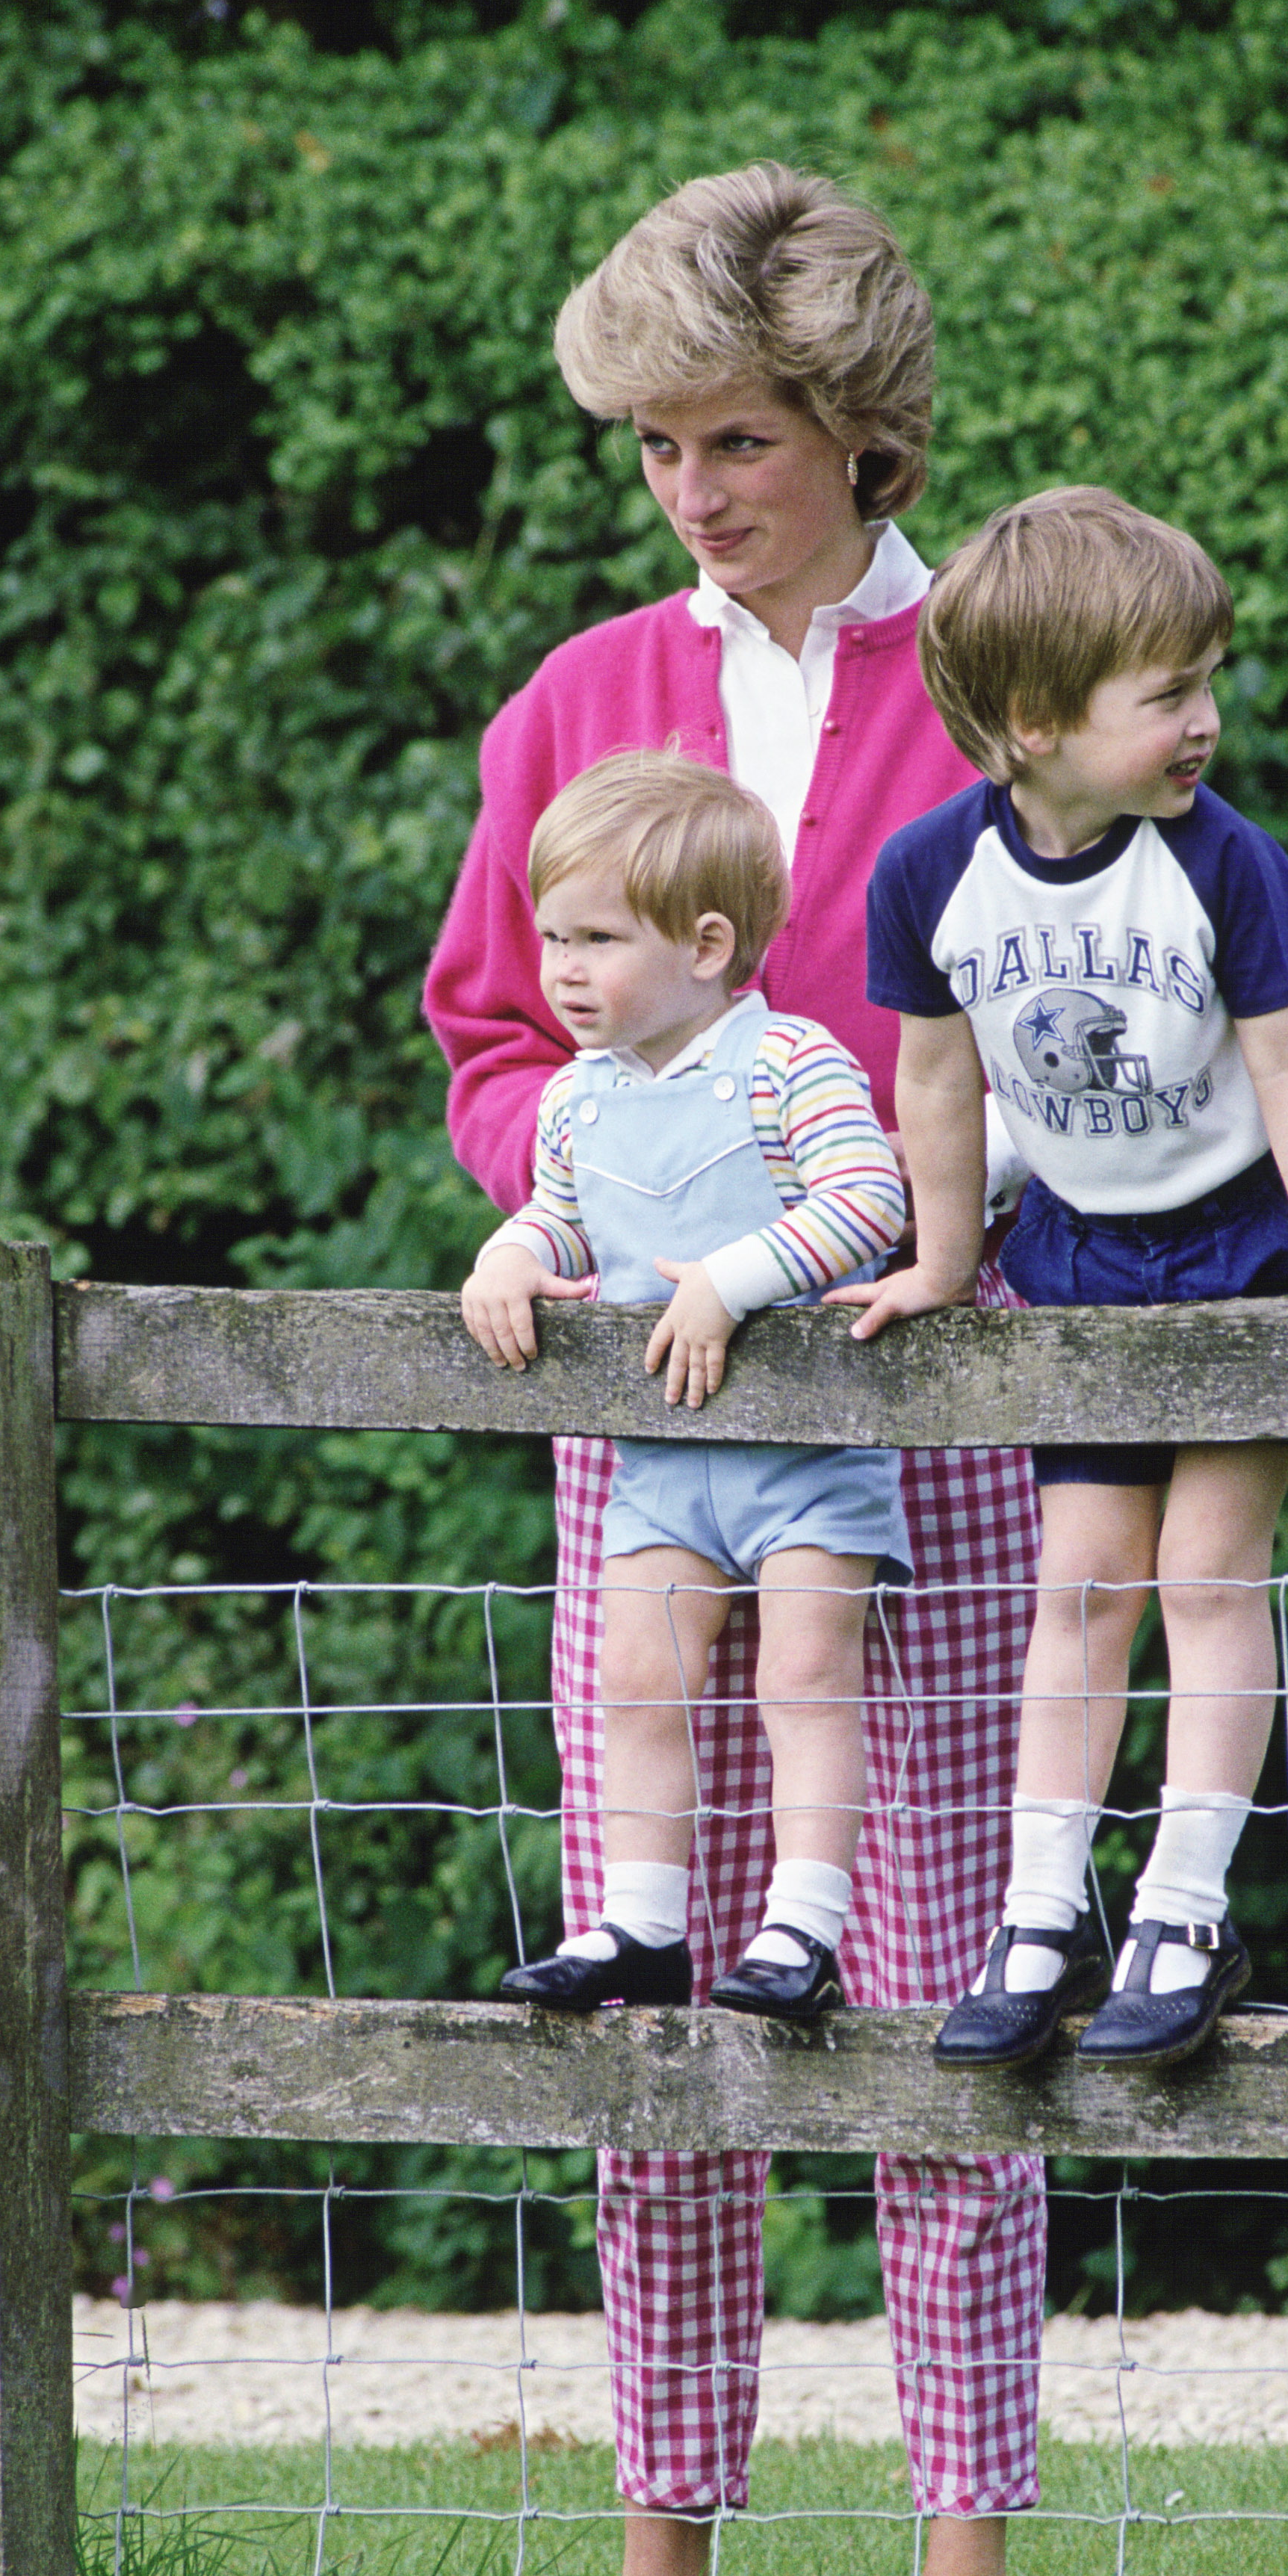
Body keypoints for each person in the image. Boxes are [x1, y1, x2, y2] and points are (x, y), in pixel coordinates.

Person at [424, 165, 1047, 2576]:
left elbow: (1120, 1001)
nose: (691, 487)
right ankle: (657, 2571)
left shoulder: (1006, 670)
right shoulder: (580, 699)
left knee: (938, 1987)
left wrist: (966, 1223)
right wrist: (578, 1205)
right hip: (659, 1423)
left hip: (947, 1404)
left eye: (738, 438)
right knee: (659, 1986)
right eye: (658, 443)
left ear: (860, 430)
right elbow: (493, 1031)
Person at [845, 486, 1288, 2067]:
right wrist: (943, 1260)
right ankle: (1040, 1914)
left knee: (1204, 1573)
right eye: (1167, 694)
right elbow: (936, 1082)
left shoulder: (1225, 863)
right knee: (1077, 1589)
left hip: (1239, 1243)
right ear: (1033, 723)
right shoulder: (929, 876)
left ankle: (1184, 1909)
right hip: (1075, 1253)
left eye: (1209, 681)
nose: (1206, 721)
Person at [462, 752, 911, 2019]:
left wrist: (733, 1278)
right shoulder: (575, 1100)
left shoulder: (792, 1062)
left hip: (806, 1459)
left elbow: (871, 1199)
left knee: (804, 1679)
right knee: (636, 1682)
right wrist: (510, 1255)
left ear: (709, 946)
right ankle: (643, 1927)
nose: (561, 969)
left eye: (597, 940)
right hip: (660, 1463)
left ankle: (802, 1929)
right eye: (553, 937)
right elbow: (564, 1219)